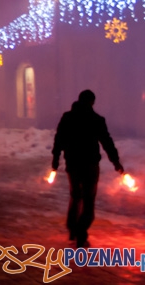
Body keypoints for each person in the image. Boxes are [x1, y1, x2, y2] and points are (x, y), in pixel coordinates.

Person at [51, 89, 124, 249]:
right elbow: (107, 142)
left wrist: (55, 159)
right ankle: (81, 233)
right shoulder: (96, 120)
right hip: (90, 165)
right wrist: (116, 162)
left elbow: (59, 139)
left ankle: (72, 229)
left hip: (73, 164)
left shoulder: (68, 117)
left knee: (76, 196)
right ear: (92, 102)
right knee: (89, 200)